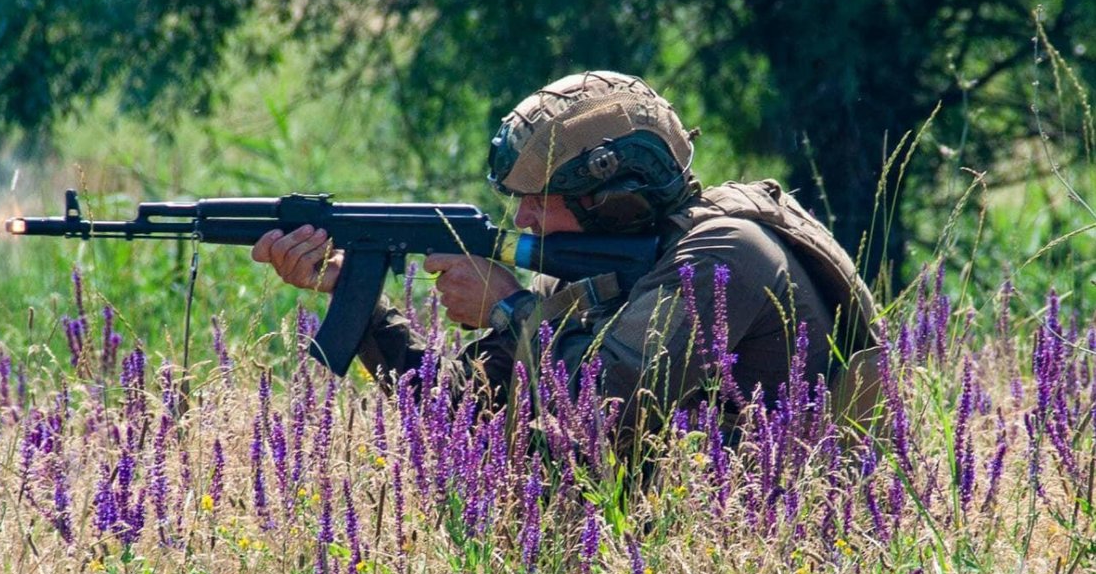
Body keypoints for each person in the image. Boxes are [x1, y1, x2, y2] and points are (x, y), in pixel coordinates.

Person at [252, 71, 879, 447]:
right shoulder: (591, 270)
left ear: (615, 201)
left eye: (538, 202)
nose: (521, 220)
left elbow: (602, 401)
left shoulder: (726, 257)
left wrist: (508, 307)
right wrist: (354, 299)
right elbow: (456, 417)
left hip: (779, 552)